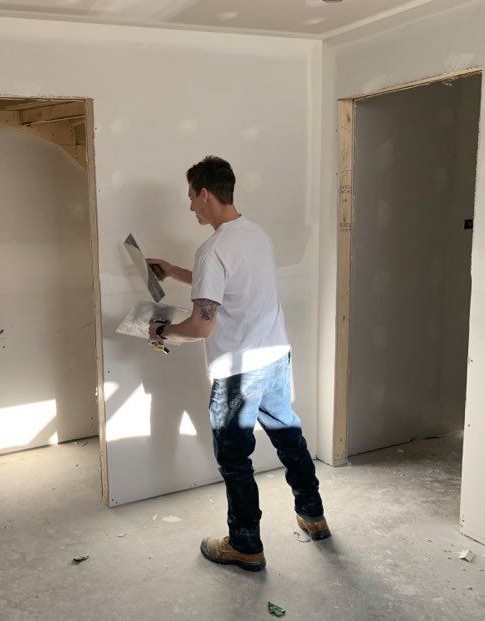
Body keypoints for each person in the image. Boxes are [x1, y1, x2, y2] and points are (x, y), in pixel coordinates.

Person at [147, 157, 329, 572]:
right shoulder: (255, 235)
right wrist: (175, 272)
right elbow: (229, 283)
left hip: (238, 374)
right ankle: (313, 514)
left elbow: (201, 326)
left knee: (234, 459)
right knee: (289, 437)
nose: (190, 206)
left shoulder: (213, 249)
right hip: (276, 358)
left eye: (191, 197)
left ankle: (245, 543)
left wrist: (162, 332)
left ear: (205, 193)